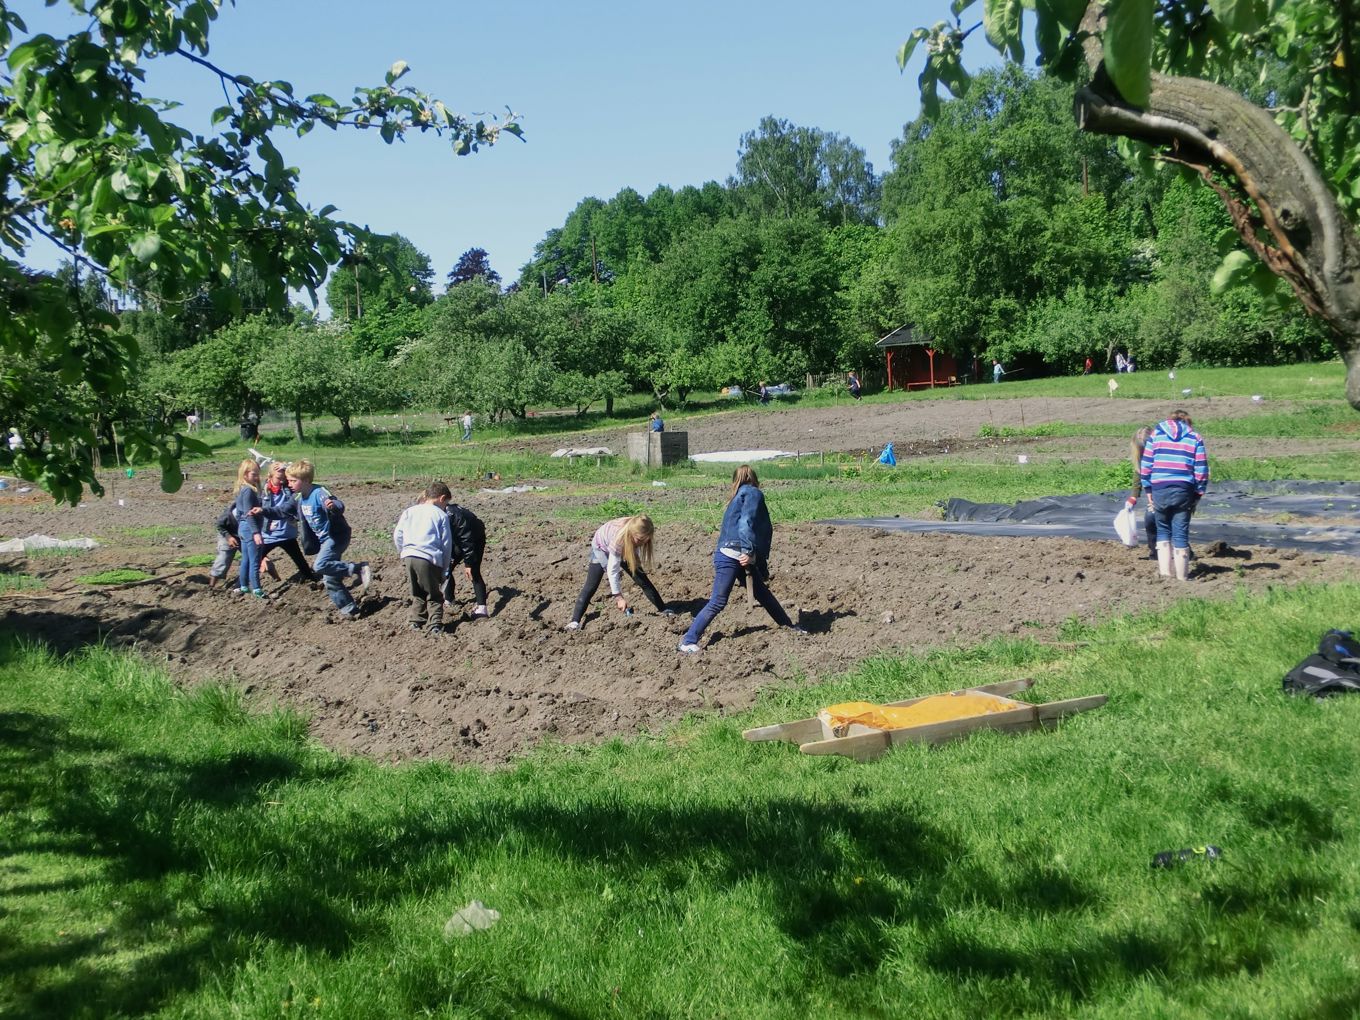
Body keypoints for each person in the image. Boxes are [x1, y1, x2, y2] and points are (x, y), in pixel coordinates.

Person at [678, 465, 806, 653]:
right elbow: (746, 523)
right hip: (733, 556)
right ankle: (688, 641)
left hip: (731, 553)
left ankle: (787, 626)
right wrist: (747, 551)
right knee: (718, 601)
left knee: (763, 594)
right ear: (754, 478)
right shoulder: (753, 493)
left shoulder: (737, 496)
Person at [287, 458, 371, 617]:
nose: (289, 484)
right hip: (325, 540)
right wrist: (263, 511)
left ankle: (358, 568)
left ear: (305, 480)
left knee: (319, 565)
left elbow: (337, 504)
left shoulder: (319, 493)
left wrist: (333, 506)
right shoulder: (298, 498)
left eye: (292, 480)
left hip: (336, 536)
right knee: (330, 580)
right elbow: (282, 511)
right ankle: (351, 611)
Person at [564, 515, 670, 630]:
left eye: (645, 541)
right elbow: (612, 570)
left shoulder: (639, 527)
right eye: (639, 540)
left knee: (641, 578)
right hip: (601, 547)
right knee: (591, 585)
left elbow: (636, 548)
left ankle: (663, 609)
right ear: (631, 534)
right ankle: (574, 622)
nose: (641, 544)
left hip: (623, 544)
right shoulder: (619, 540)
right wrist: (618, 597)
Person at [1139, 410, 1209, 581]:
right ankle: (1182, 578)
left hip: (1159, 488)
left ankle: (1165, 575)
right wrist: (1198, 493)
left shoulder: (1155, 436)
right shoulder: (1195, 438)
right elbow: (1201, 469)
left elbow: (1146, 465)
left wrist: (1148, 490)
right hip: (1184, 489)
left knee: (1162, 530)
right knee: (1180, 533)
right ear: (1187, 422)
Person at [393, 481, 453, 634]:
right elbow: (446, 545)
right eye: (446, 503)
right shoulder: (440, 515)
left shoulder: (410, 511)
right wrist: (445, 568)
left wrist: (403, 551)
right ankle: (435, 625)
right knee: (434, 594)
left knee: (417, 592)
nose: (446, 507)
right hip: (428, 557)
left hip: (409, 556)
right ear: (442, 498)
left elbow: (398, 534)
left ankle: (416, 621)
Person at [258, 461, 318, 585]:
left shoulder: (290, 489)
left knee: (300, 561)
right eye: (278, 478)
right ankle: (243, 585)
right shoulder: (263, 491)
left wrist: (286, 467)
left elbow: (298, 473)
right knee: (254, 560)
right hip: (269, 536)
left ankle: (312, 580)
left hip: (287, 533)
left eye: (284, 478)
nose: (282, 481)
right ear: (269, 476)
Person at [444, 500, 491, 618]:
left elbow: (467, 540)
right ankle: (449, 600)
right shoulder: (436, 513)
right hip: (458, 540)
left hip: (474, 539)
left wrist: (468, 563)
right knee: (446, 569)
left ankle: (482, 609)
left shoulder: (454, 515)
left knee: (474, 571)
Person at [233, 458, 265, 597]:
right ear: (245, 474)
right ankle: (257, 589)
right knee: (254, 560)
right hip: (249, 528)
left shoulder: (243, 489)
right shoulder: (248, 491)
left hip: (243, 528)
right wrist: (256, 532)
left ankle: (244, 586)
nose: (257, 477)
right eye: (254, 474)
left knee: (246, 558)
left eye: (258, 474)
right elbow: (248, 513)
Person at [208, 502, 241, 589]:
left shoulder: (258, 507)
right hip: (228, 533)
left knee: (258, 557)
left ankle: (276, 580)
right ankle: (211, 587)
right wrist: (229, 537)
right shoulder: (230, 513)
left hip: (246, 535)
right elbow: (220, 525)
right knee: (224, 557)